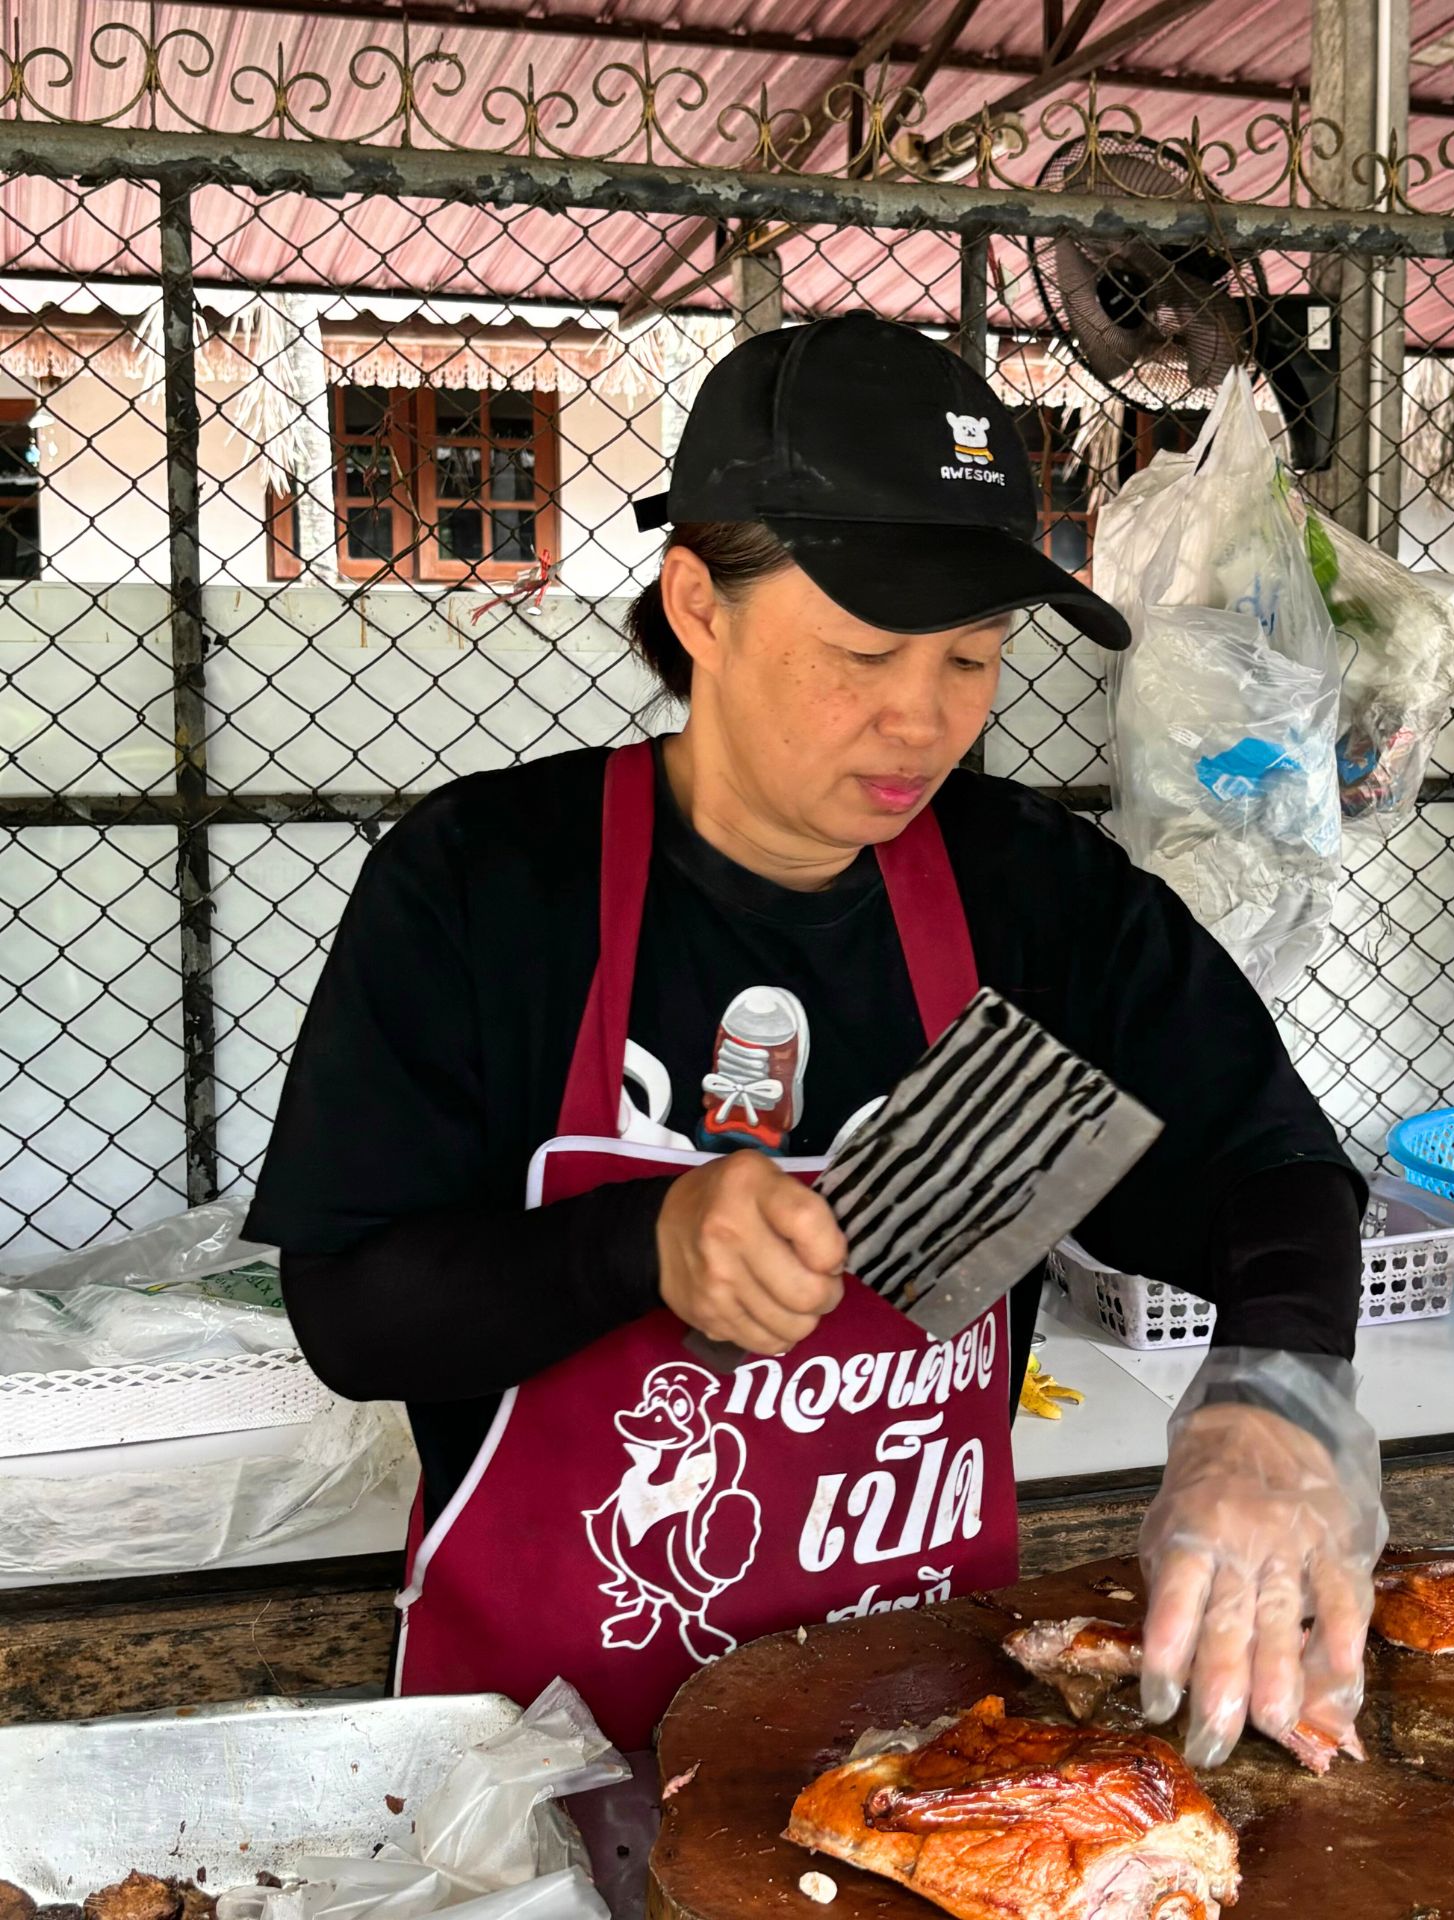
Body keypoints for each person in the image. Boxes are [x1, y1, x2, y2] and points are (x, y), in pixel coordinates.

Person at [246, 312, 1385, 1777]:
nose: (923, 722)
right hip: (538, 1746)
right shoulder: (486, 885)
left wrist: (1272, 1396)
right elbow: (352, 1312)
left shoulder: (1035, 898)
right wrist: (637, 1247)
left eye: (972, 661)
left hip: (915, 1746)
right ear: (701, 607)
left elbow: (1270, 1169)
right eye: (861, 653)